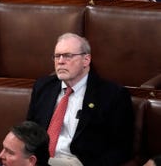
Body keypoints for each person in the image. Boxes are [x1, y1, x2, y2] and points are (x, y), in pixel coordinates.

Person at [26, 33, 133, 165]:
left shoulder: (112, 95)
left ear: (86, 60)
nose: (60, 61)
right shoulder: (43, 87)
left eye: (67, 56)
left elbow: (122, 149)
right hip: (38, 161)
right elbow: (29, 131)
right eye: (57, 56)